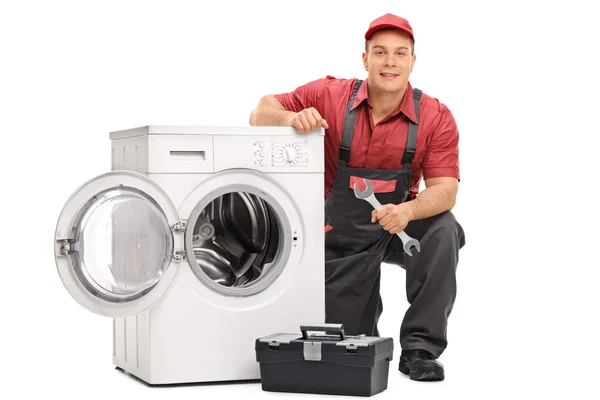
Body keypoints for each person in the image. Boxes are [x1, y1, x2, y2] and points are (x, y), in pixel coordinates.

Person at [249, 13, 466, 382]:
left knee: (444, 230)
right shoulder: (328, 95)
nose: (390, 62)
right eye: (380, 52)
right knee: (348, 346)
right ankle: (364, 330)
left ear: (413, 61)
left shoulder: (435, 117)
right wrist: (291, 118)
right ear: (365, 59)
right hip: (341, 235)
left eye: (400, 53)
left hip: (399, 228)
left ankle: (420, 349)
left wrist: (408, 211)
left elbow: (446, 190)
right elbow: (259, 112)